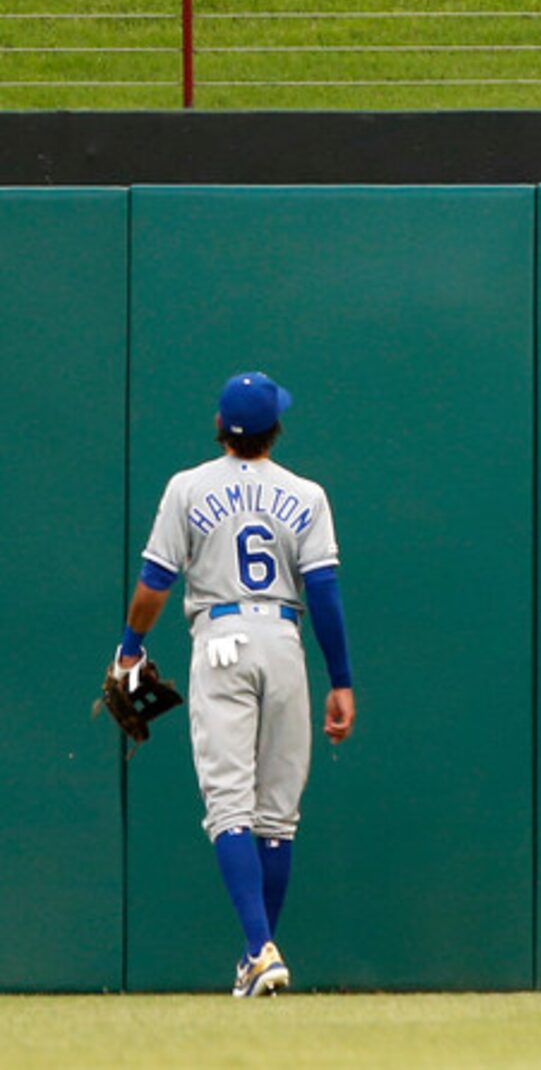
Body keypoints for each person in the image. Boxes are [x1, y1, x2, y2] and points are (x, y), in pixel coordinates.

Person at [113, 372, 356, 998]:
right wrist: (341, 681)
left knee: (230, 806)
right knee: (277, 817)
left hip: (220, 641)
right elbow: (323, 594)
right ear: (276, 428)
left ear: (220, 427)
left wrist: (129, 651)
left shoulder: (188, 488)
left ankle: (257, 950)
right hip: (283, 641)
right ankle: (260, 958)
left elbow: (154, 584)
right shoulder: (307, 494)